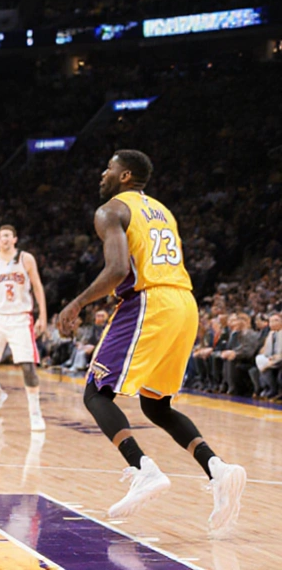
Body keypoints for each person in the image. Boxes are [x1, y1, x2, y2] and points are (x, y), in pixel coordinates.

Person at [57, 149, 246, 536]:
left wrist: (76, 303)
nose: (103, 174)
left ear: (125, 175)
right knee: (156, 405)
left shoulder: (111, 210)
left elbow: (117, 270)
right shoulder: (162, 210)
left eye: (109, 168)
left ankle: (143, 468)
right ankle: (218, 469)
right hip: (185, 303)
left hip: (149, 301)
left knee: (96, 392)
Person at [0, 225, 49, 431]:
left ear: (15, 239)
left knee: (28, 366)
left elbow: (38, 287)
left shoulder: (25, 259)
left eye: (8, 236)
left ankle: (35, 413)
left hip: (20, 318)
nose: (5, 239)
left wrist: (42, 316)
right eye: (2, 236)